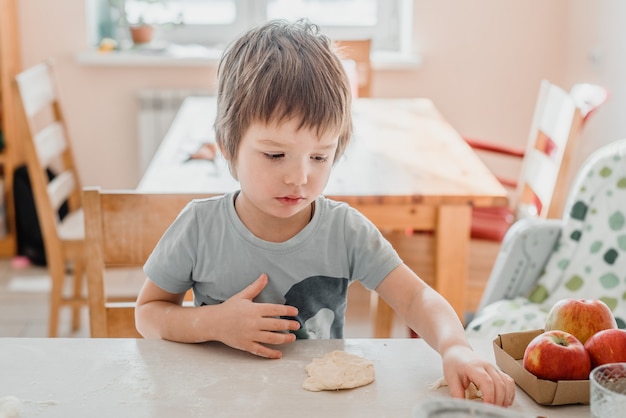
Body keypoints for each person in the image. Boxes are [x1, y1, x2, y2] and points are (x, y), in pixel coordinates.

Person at [135, 19, 515, 406]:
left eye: (320, 156)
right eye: (275, 155)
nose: (299, 177)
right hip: (218, 401)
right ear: (228, 147)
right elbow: (148, 313)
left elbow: (416, 299)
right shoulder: (200, 227)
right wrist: (211, 323)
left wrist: (455, 346)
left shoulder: (344, 231)